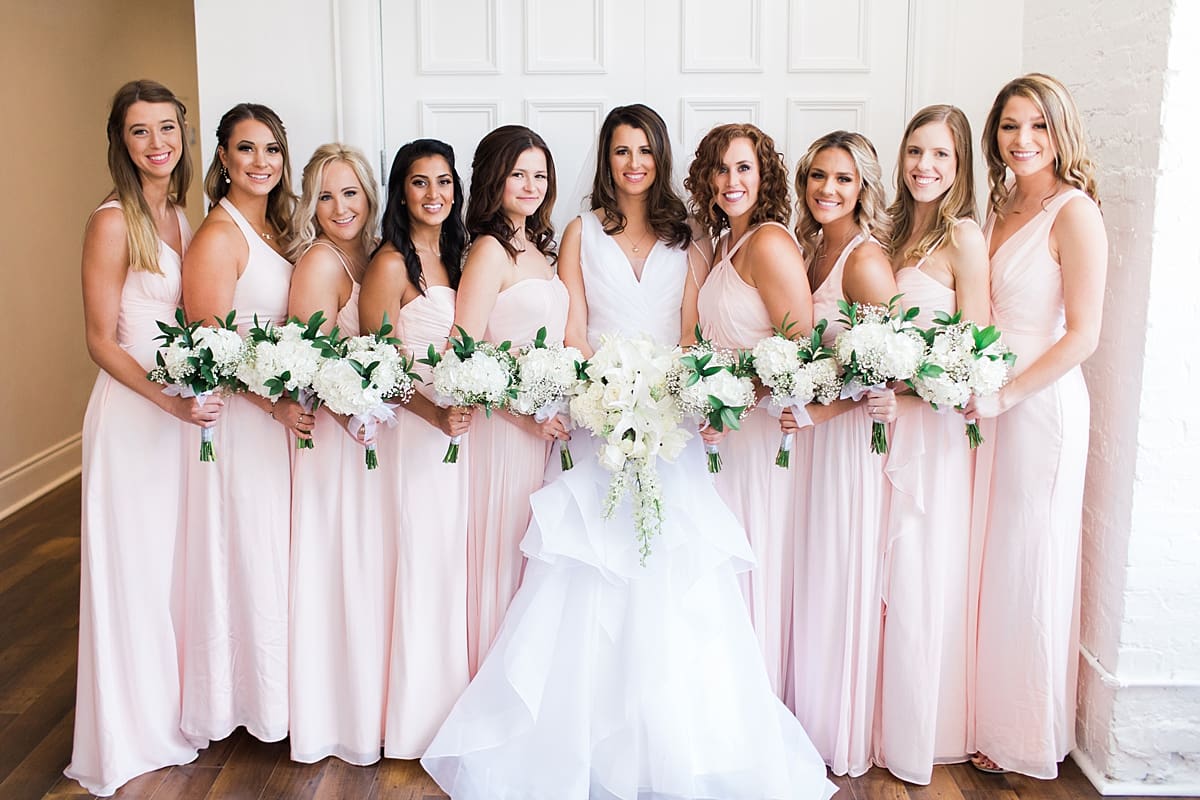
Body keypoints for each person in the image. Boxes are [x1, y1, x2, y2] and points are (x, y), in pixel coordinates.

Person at [422, 104, 836, 800]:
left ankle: (677, 745)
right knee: (591, 578)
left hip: (670, 428)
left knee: (674, 581)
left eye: (644, 150)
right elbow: (576, 326)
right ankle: (576, 747)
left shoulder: (692, 238)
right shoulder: (582, 232)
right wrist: (604, 396)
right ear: (606, 159)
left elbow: (692, 335)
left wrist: (669, 395)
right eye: (620, 151)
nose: (633, 163)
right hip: (599, 425)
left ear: (661, 158)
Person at [66, 79, 217, 797]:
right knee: (130, 567)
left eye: (167, 128)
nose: (157, 144)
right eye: (139, 132)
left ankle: (170, 712)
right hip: (133, 417)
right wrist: (166, 401)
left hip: (177, 417)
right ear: (120, 143)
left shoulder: (183, 218)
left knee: (168, 567)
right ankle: (127, 732)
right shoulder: (110, 220)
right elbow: (101, 340)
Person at [965, 73, 1106, 779]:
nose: (1022, 141)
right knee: (997, 560)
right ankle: (986, 712)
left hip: (1040, 406)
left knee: (1032, 560)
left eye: (1038, 127)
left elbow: (1082, 335)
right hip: (992, 403)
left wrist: (1008, 394)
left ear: (1060, 132)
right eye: (1010, 126)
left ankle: (1025, 734)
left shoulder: (1073, 213)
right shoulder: (999, 208)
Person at [874, 105, 989, 784]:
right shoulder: (889, 234)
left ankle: (916, 729)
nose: (925, 166)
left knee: (917, 574)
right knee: (880, 575)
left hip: (929, 431)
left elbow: (973, 354)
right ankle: (874, 714)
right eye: (916, 151)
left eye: (941, 155)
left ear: (960, 164)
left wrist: (911, 393)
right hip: (879, 427)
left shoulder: (963, 238)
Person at [180, 102, 297, 744]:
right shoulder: (219, 236)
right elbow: (210, 346)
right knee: (248, 553)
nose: (261, 162)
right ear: (223, 157)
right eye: (247, 149)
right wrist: (272, 401)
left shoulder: (277, 232)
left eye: (272, 149)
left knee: (274, 553)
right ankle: (244, 706)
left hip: (277, 420)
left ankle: (277, 696)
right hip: (242, 423)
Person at [688, 122, 812, 701]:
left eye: (743, 168)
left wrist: (737, 400)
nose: (731, 180)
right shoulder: (722, 243)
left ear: (763, 175)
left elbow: (799, 350)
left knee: (750, 558)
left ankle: (758, 700)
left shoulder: (768, 242)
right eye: (720, 169)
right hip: (721, 437)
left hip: (758, 436)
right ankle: (724, 699)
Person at [358, 138, 473, 757]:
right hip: (419, 435)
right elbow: (375, 363)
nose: (435, 195)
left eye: (445, 182)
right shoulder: (391, 264)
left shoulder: (460, 255)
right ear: (401, 190)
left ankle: (460, 705)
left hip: (464, 438)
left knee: (458, 565)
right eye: (421, 182)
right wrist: (433, 412)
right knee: (426, 564)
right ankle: (418, 718)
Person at [790, 130, 898, 777]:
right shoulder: (809, 248)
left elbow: (883, 368)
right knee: (812, 576)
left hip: (847, 445)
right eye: (818, 177)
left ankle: (837, 731)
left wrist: (813, 408)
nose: (828, 190)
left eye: (843, 179)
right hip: (811, 442)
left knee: (838, 573)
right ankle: (804, 718)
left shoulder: (863, 260)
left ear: (863, 189)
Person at [450, 125, 570, 675]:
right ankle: (485, 678)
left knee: (532, 558)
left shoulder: (540, 252)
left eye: (539, 175)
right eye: (517, 174)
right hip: (505, 432)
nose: (530, 185)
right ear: (494, 179)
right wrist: (524, 418)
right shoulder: (488, 251)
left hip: (544, 430)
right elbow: (464, 354)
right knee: (501, 555)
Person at [284, 143, 390, 764]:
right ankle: (333, 716)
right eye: (325, 195)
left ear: (369, 197)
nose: (340, 206)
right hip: (332, 442)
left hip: (370, 439)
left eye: (350, 192)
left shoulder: (372, 256)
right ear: (310, 205)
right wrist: (353, 401)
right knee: (337, 569)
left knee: (368, 571)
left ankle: (368, 704)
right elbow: (309, 364)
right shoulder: (321, 264)